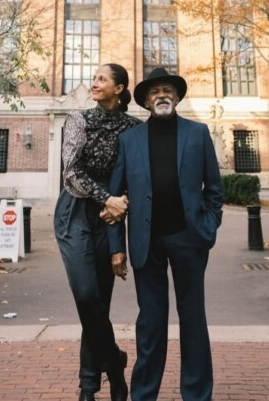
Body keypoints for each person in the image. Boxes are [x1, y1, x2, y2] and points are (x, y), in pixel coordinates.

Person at [107, 67, 223, 401]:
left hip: (189, 239)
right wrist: (117, 248)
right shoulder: (129, 141)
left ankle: (197, 394)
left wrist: (208, 226)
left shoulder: (198, 134)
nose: (162, 95)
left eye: (168, 90)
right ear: (144, 100)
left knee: (193, 319)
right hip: (147, 243)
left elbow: (214, 189)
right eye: (155, 91)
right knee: (151, 323)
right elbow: (115, 200)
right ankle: (143, 394)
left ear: (177, 97)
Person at [54, 63, 141, 401]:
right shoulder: (78, 120)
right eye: (94, 78)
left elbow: (138, 175)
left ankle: (89, 387)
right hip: (75, 212)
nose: (95, 83)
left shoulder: (133, 128)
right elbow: (71, 172)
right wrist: (109, 198)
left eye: (102, 79)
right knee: (86, 295)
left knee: (99, 304)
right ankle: (116, 365)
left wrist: (121, 203)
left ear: (120, 88)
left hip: (110, 218)